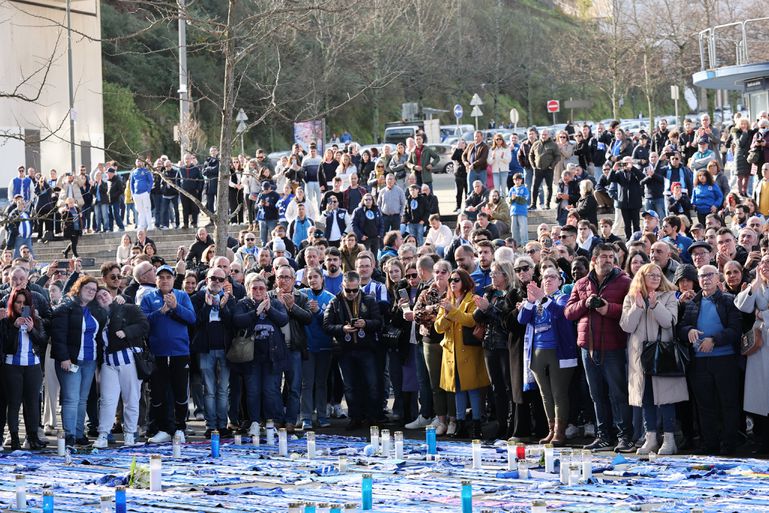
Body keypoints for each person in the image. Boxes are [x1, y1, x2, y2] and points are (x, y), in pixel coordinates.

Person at [565, 244, 634, 452]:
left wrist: (608, 309)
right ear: (593, 260)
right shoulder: (581, 283)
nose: (608, 260)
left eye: (612, 257)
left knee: (618, 394)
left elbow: (631, 310)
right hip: (588, 347)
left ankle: (625, 437)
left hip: (614, 346)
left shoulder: (625, 282)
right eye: (604, 257)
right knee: (596, 395)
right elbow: (568, 312)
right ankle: (603, 436)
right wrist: (585, 303)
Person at [619, 263, 686, 456]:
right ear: (642, 276)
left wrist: (656, 305)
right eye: (651, 275)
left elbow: (669, 322)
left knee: (666, 399)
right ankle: (650, 438)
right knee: (646, 397)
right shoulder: (631, 297)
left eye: (658, 275)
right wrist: (638, 307)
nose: (656, 278)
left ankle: (670, 439)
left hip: (662, 354)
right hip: (639, 355)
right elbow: (626, 326)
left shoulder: (669, 296)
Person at [678, 264, 742, 455]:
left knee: (728, 403)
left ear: (717, 278)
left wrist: (714, 340)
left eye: (709, 275)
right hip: (699, 362)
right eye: (702, 276)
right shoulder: (692, 303)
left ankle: (729, 444)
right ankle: (710, 444)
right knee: (705, 406)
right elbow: (680, 328)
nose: (705, 279)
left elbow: (735, 330)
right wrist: (688, 331)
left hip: (725, 360)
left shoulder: (729, 301)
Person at [518, 266, 577, 446]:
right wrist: (529, 301)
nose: (548, 280)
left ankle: (560, 431)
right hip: (537, 351)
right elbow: (522, 319)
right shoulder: (537, 301)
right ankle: (551, 430)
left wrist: (542, 298)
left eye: (553, 277)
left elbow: (561, 313)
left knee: (559, 393)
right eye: (545, 277)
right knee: (545, 394)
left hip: (558, 352)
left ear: (560, 281)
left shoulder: (563, 297)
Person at [142, 265, 197, 443]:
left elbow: (192, 318)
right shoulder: (149, 297)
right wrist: (161, 312)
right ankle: (162, 428)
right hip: (157, 353)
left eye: (168, 277)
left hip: (180, 352)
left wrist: (175, 307)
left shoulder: (182, 296)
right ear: (156, 280)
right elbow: (143, 322)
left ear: (174, 279)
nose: (165, 280)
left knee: (181, 391)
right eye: (161, 277)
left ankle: (180, 427)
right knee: (158, 392)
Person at [51, 276, 108, 447]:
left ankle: (78, 432)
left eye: (94, 289)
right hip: (71, 361)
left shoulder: (94, 310)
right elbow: (58, 335)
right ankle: (69, 435)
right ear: (79, 288)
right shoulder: (67, 307)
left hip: (89, 361)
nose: (91, 291)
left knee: (82, 399)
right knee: (71, 398)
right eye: (88, 288)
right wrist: (64, 358)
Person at [323, 271, 383, 429]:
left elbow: (378, 322)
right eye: (347, 290)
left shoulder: (369, 300)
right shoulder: (335, 302)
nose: (351, 293)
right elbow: (326, 325)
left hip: (366, 349)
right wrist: (342, 328)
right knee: (349, 386)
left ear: (359, 287)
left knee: (372, 384)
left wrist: (366, 323)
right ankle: (355, 417)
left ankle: (373, 417)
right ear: (342, 286)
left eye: (354, 290)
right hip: (345, 350)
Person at [232, 273, 289, 436]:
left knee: (271, 390)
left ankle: (271, 422)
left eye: (261, 288)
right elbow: (237, 320)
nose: (258, 291)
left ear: (266, 289)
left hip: (272, 356)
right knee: (252, 391)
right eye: (254, 288)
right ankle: (255, 422)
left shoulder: (275, 303)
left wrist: (268, 309)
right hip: (250, 356)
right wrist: (255, 312)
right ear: (248, 289)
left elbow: (283, 320)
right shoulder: (243, 304)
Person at [435, 268, 489, 439]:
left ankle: (476, 424)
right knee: (457, 389)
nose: (452, 282)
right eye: (451, 279)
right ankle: (459, 423)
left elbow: (472, 320)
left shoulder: (472, 299)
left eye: (456, 279)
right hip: (451, 353)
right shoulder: (446, 300)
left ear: (464, 282)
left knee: (472, 389)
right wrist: (448, 315)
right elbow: (438, 327)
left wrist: (453, 312)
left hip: (469, 352)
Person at [92, 287, 149, 448]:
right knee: (107, 400)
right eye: (99, 297)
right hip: (108, 362)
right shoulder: (99, 316)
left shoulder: (128, 308)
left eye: (104, 294)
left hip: (128, 358)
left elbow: (144, 325)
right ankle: (103, 434)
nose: (103, 297)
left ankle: (130, 434)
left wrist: (127, 332)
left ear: (111, 294)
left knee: (131, 398)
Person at [473, 261, 519, 439]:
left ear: (505, 275)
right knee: (496, 388)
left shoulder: (512, 294)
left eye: (495, 274)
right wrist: (481, 307)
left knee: (508, 387)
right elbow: (477, 318)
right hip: (489, 344)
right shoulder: (490, 292)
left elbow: (506, 321)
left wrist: (489, 308)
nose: (492, 277)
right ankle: (501, 424)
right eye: (491, 274)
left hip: (504, 345)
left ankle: (511, 425)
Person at [190, 267, 234, 438]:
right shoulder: (197, 298)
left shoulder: (229, 298)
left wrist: (223, 307)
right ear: (206, 280)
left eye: (220, 279)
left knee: (223, 389)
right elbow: (195, 322)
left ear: (225, 282)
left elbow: (232, 323)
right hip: (205, 349)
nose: (216, 282)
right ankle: (211, 425)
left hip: (224, 349)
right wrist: (208, 307)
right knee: (209, 389)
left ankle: (223, 425)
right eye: (213, 278)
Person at [1, 288, 47, 450]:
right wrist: (14, 328)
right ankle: (14, 438)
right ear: (12, 304)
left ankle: (33, 437)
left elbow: (42, 341)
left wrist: (31, 330)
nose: (21, 306)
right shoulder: (6, 321)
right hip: (12, 366)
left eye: (24, 303)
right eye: (18, 302)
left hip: (32, 366)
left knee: (33, 403)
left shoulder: (36, 320)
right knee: (14, 403)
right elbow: (5, 346)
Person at [269, 265, 312, 431]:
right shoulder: (269, 296)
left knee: (294, 387)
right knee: (273, 387)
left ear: (294, 280)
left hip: (294, 348)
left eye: (287, 277)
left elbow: (308, 318)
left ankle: (290, 421)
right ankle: (278, 419)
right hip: (274, 348)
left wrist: (292, 307)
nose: (283, 281)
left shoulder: (301, 297)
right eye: (280, 277)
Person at [298, 266, 335, 430]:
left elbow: (330, 323)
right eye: (310, 277)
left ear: (322, 279)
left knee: (321, 382)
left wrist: (319, 311)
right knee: (307, 383)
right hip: (307, 346)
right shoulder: (302, 295)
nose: (313, 279)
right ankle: (306, 416)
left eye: (315, 276)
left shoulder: (331, 298)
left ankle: (321, 415)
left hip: (325, 346)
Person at [610, 156, 645, 240]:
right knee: (627, 224)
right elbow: (610, 180)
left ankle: (637, 239)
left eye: (629, 162)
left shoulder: (636, 172)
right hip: (624, 203)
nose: (627, 164)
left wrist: (632, 168)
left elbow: (643, 177)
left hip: (635, 202)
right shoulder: (619, 173)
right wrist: (613, 169)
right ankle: (628, 240)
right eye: (625, 163)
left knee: (636, 224)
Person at [529, 129, 560, 210]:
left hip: (548, 169)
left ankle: (547, 204)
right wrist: (533, 165)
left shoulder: (553, 145)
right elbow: (531, 154)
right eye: (542, 134)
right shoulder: (536, 144)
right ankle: (533, 204)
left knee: (549, 187)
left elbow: (557, 156)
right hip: (538, 169)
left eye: (545, 134)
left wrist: (552, 166)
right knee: (535, 187)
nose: (543, 136)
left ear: (549, 135)